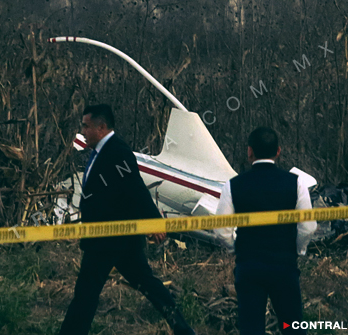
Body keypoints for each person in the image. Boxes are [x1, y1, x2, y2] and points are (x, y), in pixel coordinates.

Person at [59, 104, 196, 335]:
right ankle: (183, 330)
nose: (82, 131)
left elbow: (135, 189)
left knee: (87, 292)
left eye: (86, 126)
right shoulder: (101, 151)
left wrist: (154, 222)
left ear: (101, 127)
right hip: (112, 240)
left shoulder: (117, 151)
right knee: (143, 285)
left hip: (109, 239)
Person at [215, 127, 317, 335]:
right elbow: (308, 226)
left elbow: (221, 230)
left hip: (249, 268)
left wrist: (236, 249)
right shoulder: (296, 183)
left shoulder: (233, 185)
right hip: (284, 267)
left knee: (251, 328)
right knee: (292, 326)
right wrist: (298, 250)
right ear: (278, 151)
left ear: (249, 152)